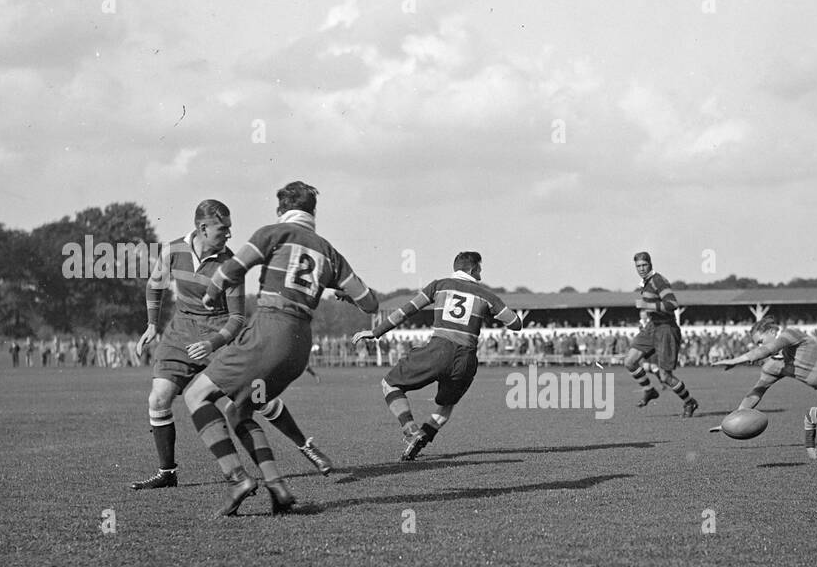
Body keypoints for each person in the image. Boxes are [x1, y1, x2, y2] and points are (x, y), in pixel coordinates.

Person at [185, 182, 379, 515]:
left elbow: (232, 269)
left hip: (271, 329)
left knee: (195, 395)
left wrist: (211, 291)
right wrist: (343, 292)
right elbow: (370, 302)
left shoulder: (273, 233)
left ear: (281, 209)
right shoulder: (330, 252)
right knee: (239, 411)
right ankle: (278, 490)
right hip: (300, 345)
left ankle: (237, 480)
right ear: (313, 212)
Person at [131, 200, 337, 491]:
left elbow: (238, 318)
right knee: (158, 398)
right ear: (202, 228)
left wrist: (212, 342)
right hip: (180, 331)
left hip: (219, 332)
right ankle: (168, 473)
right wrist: (152, 324)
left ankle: (306, 446)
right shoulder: (172, 251)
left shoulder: (230, 264)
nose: (230, 234)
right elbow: (154, 284)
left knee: (255, 397)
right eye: (223, 228)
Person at [353, 251, 523, 461]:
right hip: (466, 359)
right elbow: (516, 324)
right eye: (480, 268)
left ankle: (411, 430)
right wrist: (489, 312)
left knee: (390, 384)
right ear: (473, 269)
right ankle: (424, 436)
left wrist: (376, 332)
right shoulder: (486, 295)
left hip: (438, 350)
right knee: (447, 404)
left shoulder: (439, 285)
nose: (481, 272)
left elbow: (407, 310)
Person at [624, 252, 698, 417]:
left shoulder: (658, 280)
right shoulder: (646, 283)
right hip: (652, 327)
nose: (641, 269)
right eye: (638, 266)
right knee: (629, 361)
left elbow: (672, 304)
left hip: (666, 328)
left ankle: (689, 401)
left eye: (644, 265)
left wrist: (647, 305)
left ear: (650, 264)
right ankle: (649, 390)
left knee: (665, 376)